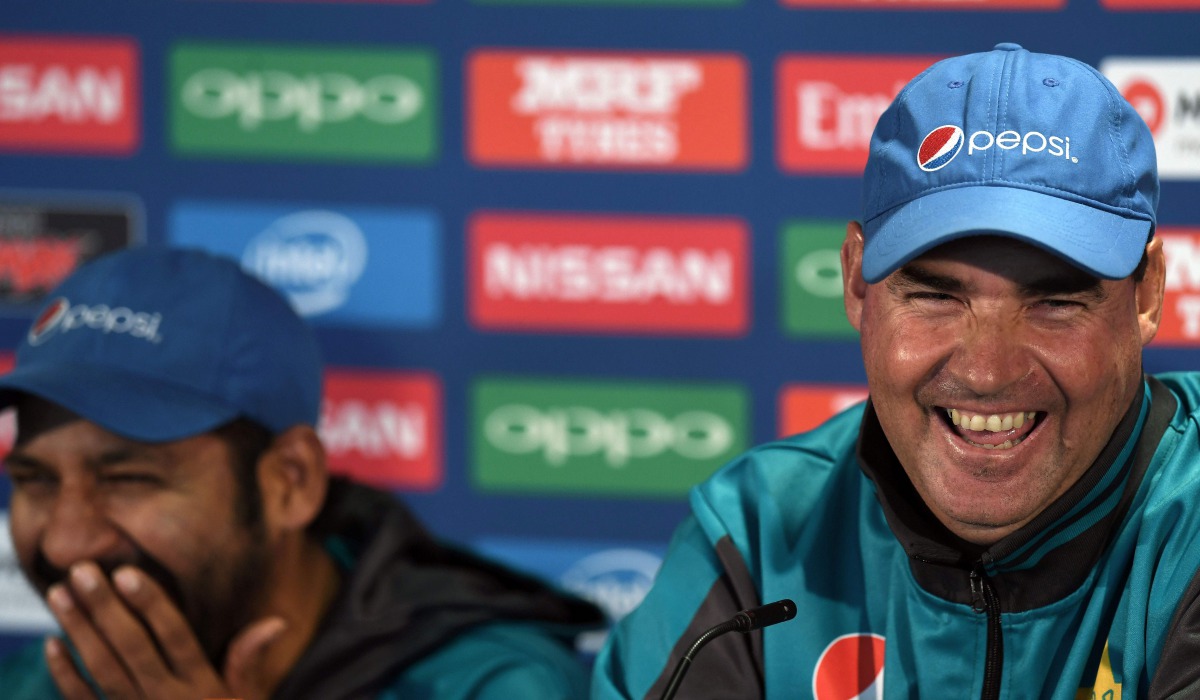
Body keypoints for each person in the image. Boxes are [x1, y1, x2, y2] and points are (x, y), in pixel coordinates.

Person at [592, 43, 1200, 699]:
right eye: (937, 297)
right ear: (856, 282)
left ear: (1145, 295)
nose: (988, 370)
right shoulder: (758, 535)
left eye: (1054, 302)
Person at [0, 246, 604, 700]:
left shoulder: (489, 686)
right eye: (34, 480)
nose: (66, 540)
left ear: (290, 481)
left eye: (127, 479)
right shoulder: (49, 678)